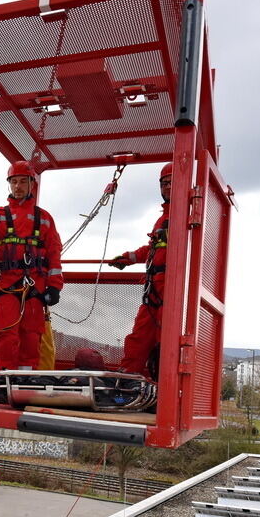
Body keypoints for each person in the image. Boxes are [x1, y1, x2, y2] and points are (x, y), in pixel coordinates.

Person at [0, 161, 64, 370]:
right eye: (14, 182)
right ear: (9, 184)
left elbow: (54, 252)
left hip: (36, 285)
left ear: (32, 184)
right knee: (5, 332)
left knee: (32, 334)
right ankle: (4, 379)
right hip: (8, 284)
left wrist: (55, 286)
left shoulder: (45, 219)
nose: (18, 186)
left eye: (23, 181)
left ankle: (26, 379)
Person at [109, 162, 172, 378]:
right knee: (139, 336)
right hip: (153, 290)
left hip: (172, 291)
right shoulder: (162, 219)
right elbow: (152, 249)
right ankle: (126, 381)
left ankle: (164, 390)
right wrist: (128, 258)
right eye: (164, 183)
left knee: (167, 342)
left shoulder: (188, 215)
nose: (168, 187)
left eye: (173, 182)